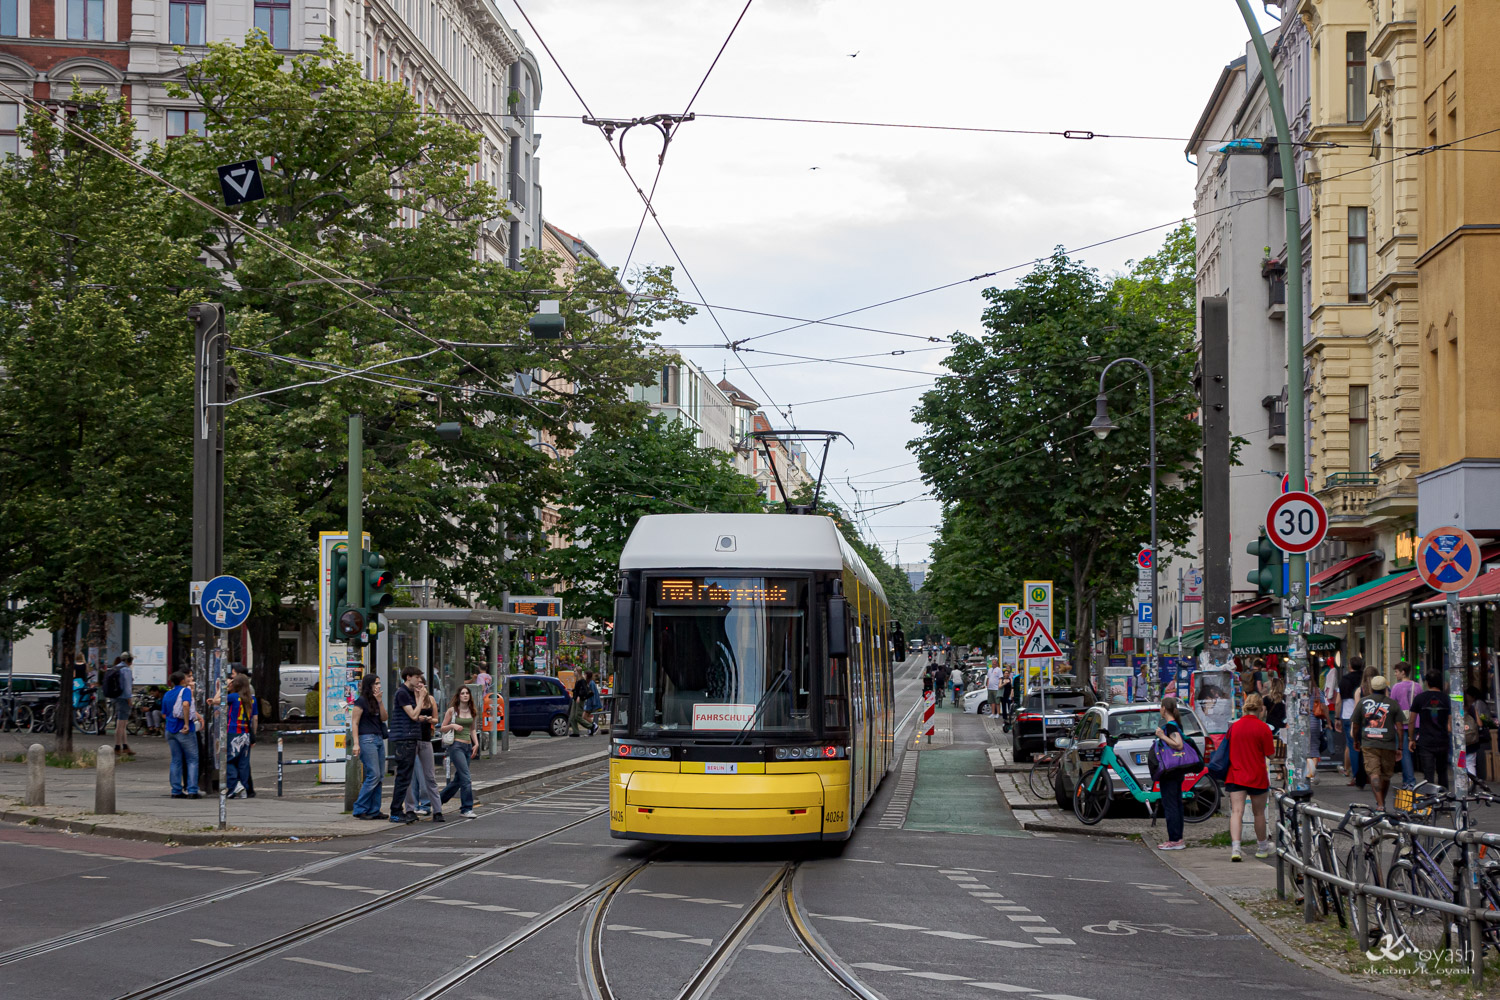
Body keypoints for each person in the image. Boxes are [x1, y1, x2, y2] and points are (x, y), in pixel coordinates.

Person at [1225, 692, 1275, 861]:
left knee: (1236, 812)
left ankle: (1236, 849)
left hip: (1236, 774)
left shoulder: (1234, 727)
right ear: (1261, 708)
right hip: (1257, 775)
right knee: (1259, 813)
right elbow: (1271, 754)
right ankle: (1262, 847)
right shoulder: (1263, 728)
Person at [1350, 674, 1405, 812]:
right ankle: (1381, 801)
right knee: (1386, 775)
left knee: (1374, 773)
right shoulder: (1392, 704)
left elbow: (1355, 725)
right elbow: (1399, 727)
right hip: (1388, 744)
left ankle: (1380, 804)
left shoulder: (1363, 702)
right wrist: (1400, 747)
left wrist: (1356, 741)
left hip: (1369, 744)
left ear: (1372, 688)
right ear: (1385, 688)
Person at [1154, 696, 1198, 851]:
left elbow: (1178, 744)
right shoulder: (1177, 724)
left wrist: (1162, 736)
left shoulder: (1171, 726)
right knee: (1176, 804)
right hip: (1176, 771)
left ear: (1164, 709)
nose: (1160, 709)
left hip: (1171, 771)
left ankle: (1174, 840)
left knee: (1171, 805)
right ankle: (1178, 838)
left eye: (1160, 707)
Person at [388, 666, 425, 824]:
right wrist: (421, 698)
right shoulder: (402, 693)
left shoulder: (409, 693)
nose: (419, 680)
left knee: (406, 776)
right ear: (408, 677)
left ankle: (398, 809)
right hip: (404, 738)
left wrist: (418, 695)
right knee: (403, 777)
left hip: (410, 737)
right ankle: (396, 811)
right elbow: (413, 715)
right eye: (417, 677)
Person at [404, 679, 444, 822]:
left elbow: (436, 719)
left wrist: (427, 719)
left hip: (426, 739)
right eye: (418, 683)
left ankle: (437, 810)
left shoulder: (430, 699)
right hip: (411, 740)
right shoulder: (409, 699)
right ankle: (410, 808)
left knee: (429, 776)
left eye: (422, 683)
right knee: (410, 776)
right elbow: (410, 716)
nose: (420, 685)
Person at [350, 673, 389, 820]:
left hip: (378, 738)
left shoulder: (376, 701)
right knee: (373, 775)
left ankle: (374, 809)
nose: (379, 686)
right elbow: (355, 722)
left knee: (379, 775)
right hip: (366, 739)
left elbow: (384, 717)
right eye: (376, 683)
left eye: (379, 683)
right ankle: (360, 808)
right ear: (369, 685)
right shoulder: (361, 701)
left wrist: (380, 702)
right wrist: (356, 743)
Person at [440, 686, 479, 818]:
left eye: (467, 693)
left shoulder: (472, 711)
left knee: (459, 779)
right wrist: (453, 725)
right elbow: (442, 728)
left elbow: (472, 729)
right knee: (466, 778)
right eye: (462, 693)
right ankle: (466, 808)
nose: (465, 695)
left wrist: (476, 743)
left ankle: (437, 800)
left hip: (468, 746)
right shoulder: (452, 711)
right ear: (458, 696)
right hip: (456, 746)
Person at [162, 671, 202, 799]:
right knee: (192, 759)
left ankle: (176, 789)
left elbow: (164, 713)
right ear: (182, 681)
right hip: (184, 729)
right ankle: (192, 789)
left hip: (170, 729)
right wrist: (186, 723)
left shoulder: (167, 694)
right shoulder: (185, 691)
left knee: (176, 760)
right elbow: (186, 704)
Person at [1408, 673, 1451, 790]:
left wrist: (1411, 739)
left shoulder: (1420, 698)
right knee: (1442, 771)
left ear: (1427, 683)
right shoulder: (1446, 699)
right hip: (1442, 740)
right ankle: (1444, 797)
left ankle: (1430, 800)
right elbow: (1450, 723)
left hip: (1425, 741)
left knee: (1428, 773)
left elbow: (1411, 720)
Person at [223, 673, 256, 798]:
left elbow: (216, 701)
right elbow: (254, 719)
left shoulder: (232, 697)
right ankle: (245, 788)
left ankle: (234, 786)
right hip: (246, 733)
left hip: (233, 732)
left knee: (229, 760)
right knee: (243, 763)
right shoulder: (252, 699)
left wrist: (225, 687)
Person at [1389, 662, 1419, 787]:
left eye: (1396, 671)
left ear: (1403, 672)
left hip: (1400, 723)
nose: (1395, 674)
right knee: (1410, 751)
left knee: (1403, 751)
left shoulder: (1396, 687)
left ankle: (1409, 781)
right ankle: (1408, 779)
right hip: (1415, 722)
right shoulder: (1417, 686)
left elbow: (1392, 705)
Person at [1337, 657, 1364, 778]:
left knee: (1352, 744)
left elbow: (1338, 701)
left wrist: (1337, 718)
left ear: (1349, 666)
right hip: (1365, 715)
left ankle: (1355, 773)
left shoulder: (1345, 680)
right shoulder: (1365, 679)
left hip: (1348, 715)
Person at [106, 652, 135, 758]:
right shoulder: (126, 670)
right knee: (121, 724)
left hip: (115, 698)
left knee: (122, 723)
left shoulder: (115, 668)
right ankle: (118, 747)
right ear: (128, 660)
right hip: (123, 698)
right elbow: (127, 687)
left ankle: (125, 746)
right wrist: (129, 699)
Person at [569, 671, 595, 737]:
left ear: (578, 672)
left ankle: (591, 726)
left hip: (579, 700)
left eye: (575, 671)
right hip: (575, 699)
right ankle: (576, 732)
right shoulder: (578, 680)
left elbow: (584, 690)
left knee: (577, 716)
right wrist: (572, 690)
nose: (574, 672)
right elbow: (578, 689)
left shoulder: (582, 680)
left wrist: (579, 696)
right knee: (572, 717)